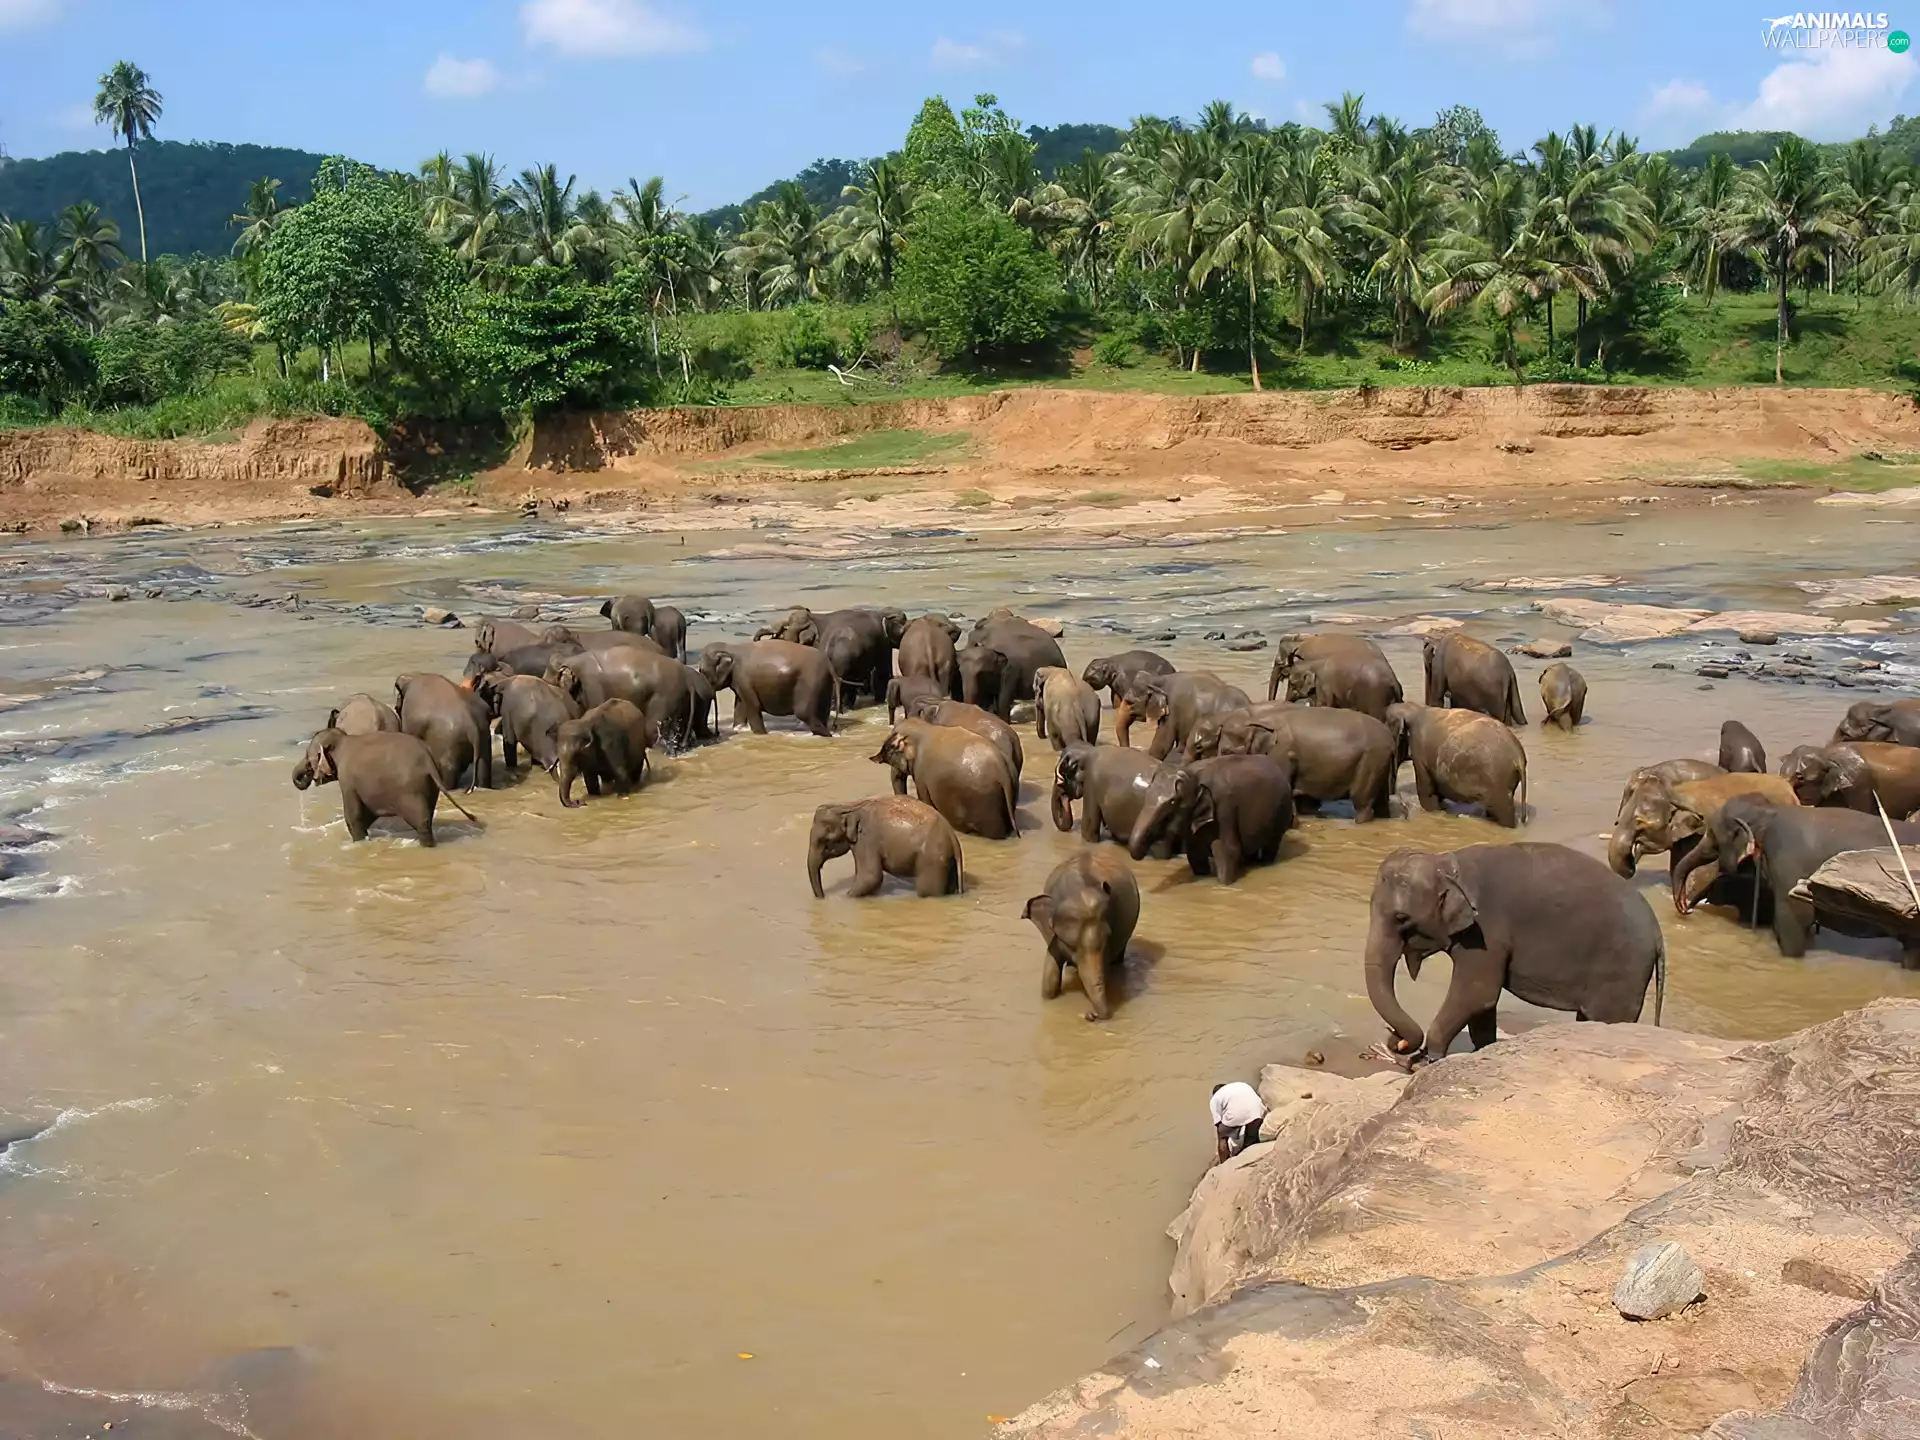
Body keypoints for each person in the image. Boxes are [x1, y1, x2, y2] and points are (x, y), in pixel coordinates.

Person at [1210, 1081, 1267, 1165]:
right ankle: (1249, 1151)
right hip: (1258, 1111)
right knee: (1251, 1138)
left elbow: (1218, 1124)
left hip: (1237, 1115)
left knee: (1222, 1135)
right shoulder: (1240, 1085)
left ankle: (1224, 1163)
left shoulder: (1215, 1099)